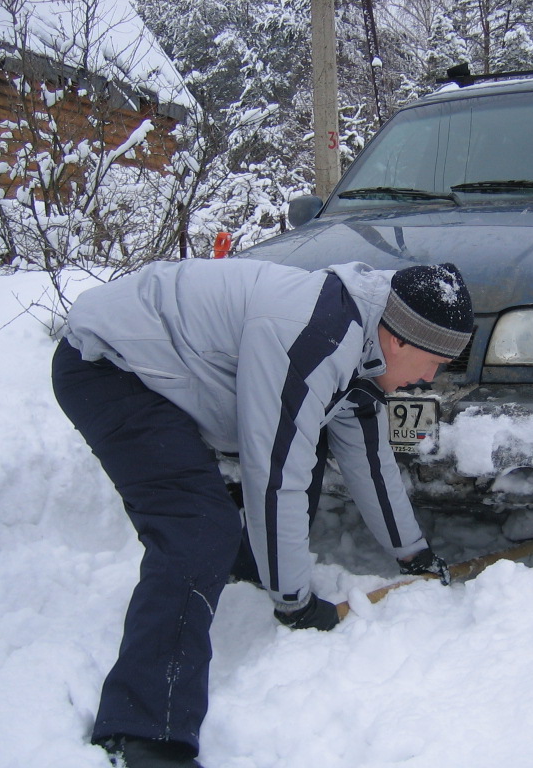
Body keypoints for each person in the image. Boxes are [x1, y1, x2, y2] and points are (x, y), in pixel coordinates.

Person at [50, 258, 474, 768]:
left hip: (174, 368)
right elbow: (275, 473)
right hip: (110, 366)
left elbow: (368, 458)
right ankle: (144, 731)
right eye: (434, 362)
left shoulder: (364, 345)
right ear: (400, 341)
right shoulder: (317, 336)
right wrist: (294, 601)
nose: (430, 378)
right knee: (197, 527)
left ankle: (252, 564)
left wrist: (413, 553)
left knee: (304, 442)